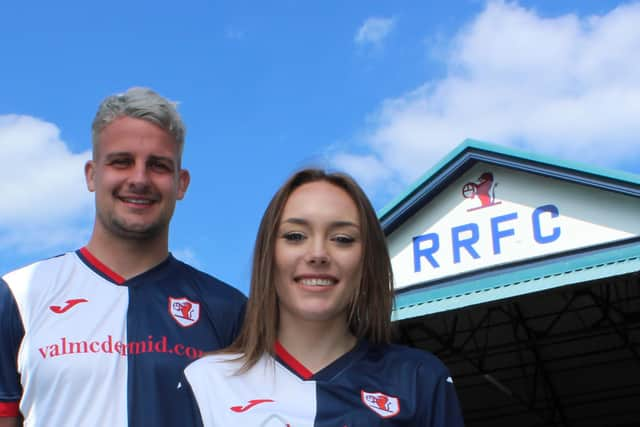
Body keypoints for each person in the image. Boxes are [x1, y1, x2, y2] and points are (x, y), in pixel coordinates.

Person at [0, 87, 246, 427]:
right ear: (91, 174)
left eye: (158, 166)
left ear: (181, 183)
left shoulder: (229, 311)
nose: (139, 179)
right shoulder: (19, 295)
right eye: (121, 162)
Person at [183, 168, 464, 426]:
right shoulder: (205, 381)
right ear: (268, 254)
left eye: (342, 239)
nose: (318, 254)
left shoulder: (419, 378)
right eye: (295, 236)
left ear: (367, 259)